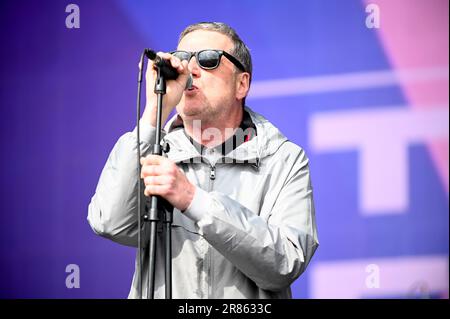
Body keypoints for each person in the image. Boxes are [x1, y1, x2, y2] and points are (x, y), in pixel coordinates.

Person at [88, 22, 318, 299]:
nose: (190, 71)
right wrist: (154, 113)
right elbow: (110, 223)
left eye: (208, 60)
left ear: (241, 83)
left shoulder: (284, 159)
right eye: (183, 60)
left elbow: (284, 264)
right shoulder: (156, 149)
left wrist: (193, 200)